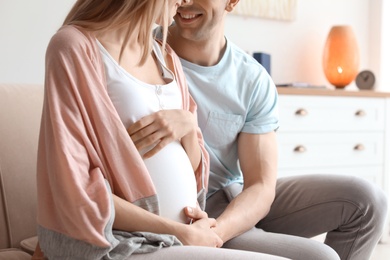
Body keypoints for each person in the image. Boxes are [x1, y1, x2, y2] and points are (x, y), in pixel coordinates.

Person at [35, 0, 288, 259]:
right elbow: (74, 184)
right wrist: (180, 232)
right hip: (128, 239)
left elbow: (196, 170)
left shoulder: (165, 55)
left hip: (181, 233)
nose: (184, 1)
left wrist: (189, 127)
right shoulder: (74, 46)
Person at [155, 0, 387, 259]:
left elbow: (260, 186)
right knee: (320, 256)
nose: (185, 1)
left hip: (230, 200)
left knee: (367, 201)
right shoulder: (139, 51)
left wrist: (215, 231)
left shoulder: (252, 79)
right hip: (184, 206)